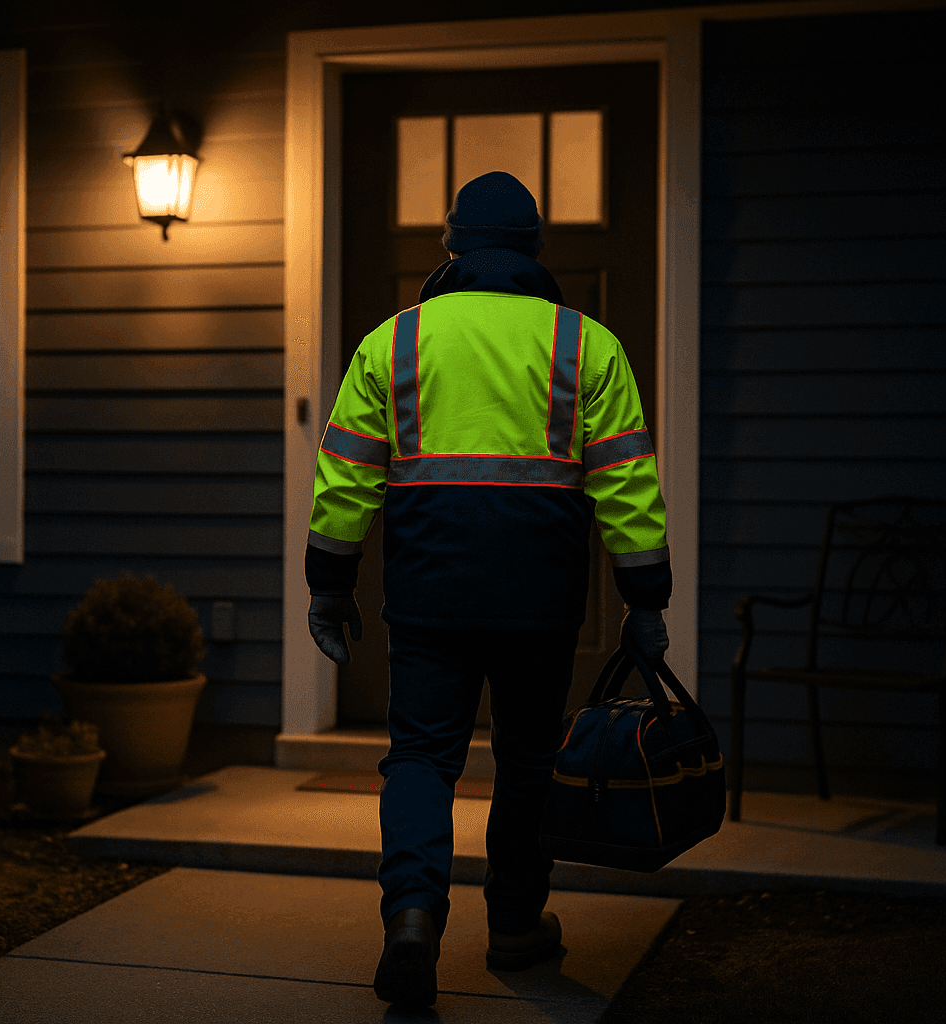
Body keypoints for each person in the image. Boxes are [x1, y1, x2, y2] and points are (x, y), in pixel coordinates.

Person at [303, 171, 672, 1008]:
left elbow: (346, 478)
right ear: (534, 249)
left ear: (453, 247)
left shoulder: (393, 342)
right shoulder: (587, 344)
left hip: (429, 593)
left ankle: (410, 921)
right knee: (529, 760)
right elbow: (627, 485)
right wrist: (646, 599)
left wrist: (329, 584)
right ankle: (512, 927)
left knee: (423, 758)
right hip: (541, 599)